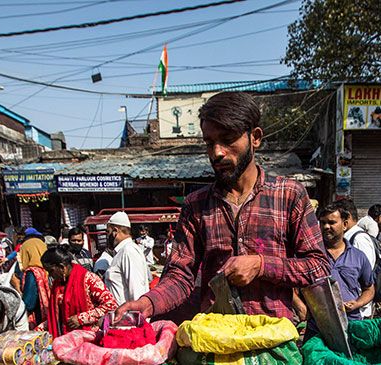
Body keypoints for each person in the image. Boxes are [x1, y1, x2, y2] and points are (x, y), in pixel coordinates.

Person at [114, 91, 329, 321]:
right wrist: (149, 302)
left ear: (255, 137)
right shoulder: (195, 205)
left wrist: (261, 265)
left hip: (275, 343)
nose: (217, 152)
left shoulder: (290, 195)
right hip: (215, 339)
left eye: (227, 140)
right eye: (209, 143)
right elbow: (180, 275)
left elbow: (318, 267)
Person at [41, 245, 118, 336]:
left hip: (89, 339)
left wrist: (81, 318)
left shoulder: (89, 279)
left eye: (51, 271)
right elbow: (56, 316)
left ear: (62, 267)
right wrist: (39, 329)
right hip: (65, 339)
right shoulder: (57, 285)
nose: (50, 275)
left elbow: (111, 305)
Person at [319, 202, 374, 319]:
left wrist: (358, 303)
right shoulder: (313, 255)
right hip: (318, 324)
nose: (326, 227)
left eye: (332, 222)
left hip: (351, 321)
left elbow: (369, 289)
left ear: (344, 225)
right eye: (323, 223)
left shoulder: (358, 257)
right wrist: (301, 306)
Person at [103, 211, 150, 305]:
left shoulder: (128, 251)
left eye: (108, 232)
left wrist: (136, 318)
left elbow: (137, 291)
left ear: (115, 231)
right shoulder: (122, 252)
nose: (107, 236)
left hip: (127, 317)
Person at [342, 198, 378, 319]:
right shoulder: (346, 237)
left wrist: (358, 302)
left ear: (346, 219)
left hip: (357, 311)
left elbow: (365, 275)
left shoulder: (359, 239)